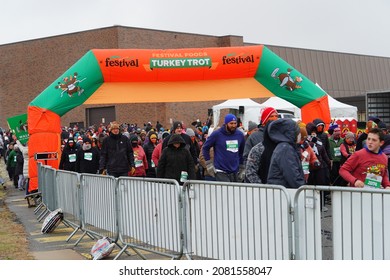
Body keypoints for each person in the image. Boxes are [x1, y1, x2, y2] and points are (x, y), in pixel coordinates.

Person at [202, 113, 245, 182]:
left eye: (235, 123)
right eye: (231, 123)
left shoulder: (240, 135)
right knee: (226, 192)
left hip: (235, 171)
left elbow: (241, 152)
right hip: (221, 171)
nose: (233, 126)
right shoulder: (217, 134)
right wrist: (208, 164)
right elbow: (205, 148)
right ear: (226, 123)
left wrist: (242, 166)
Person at [266, 118, 305, 189]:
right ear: (291, 133)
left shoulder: (285, 147)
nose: (299, 134)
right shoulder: (285, 149)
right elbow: (292, 175)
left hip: (283, 191)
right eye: (297, 132)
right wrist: (303, 188)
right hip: (283, 193)